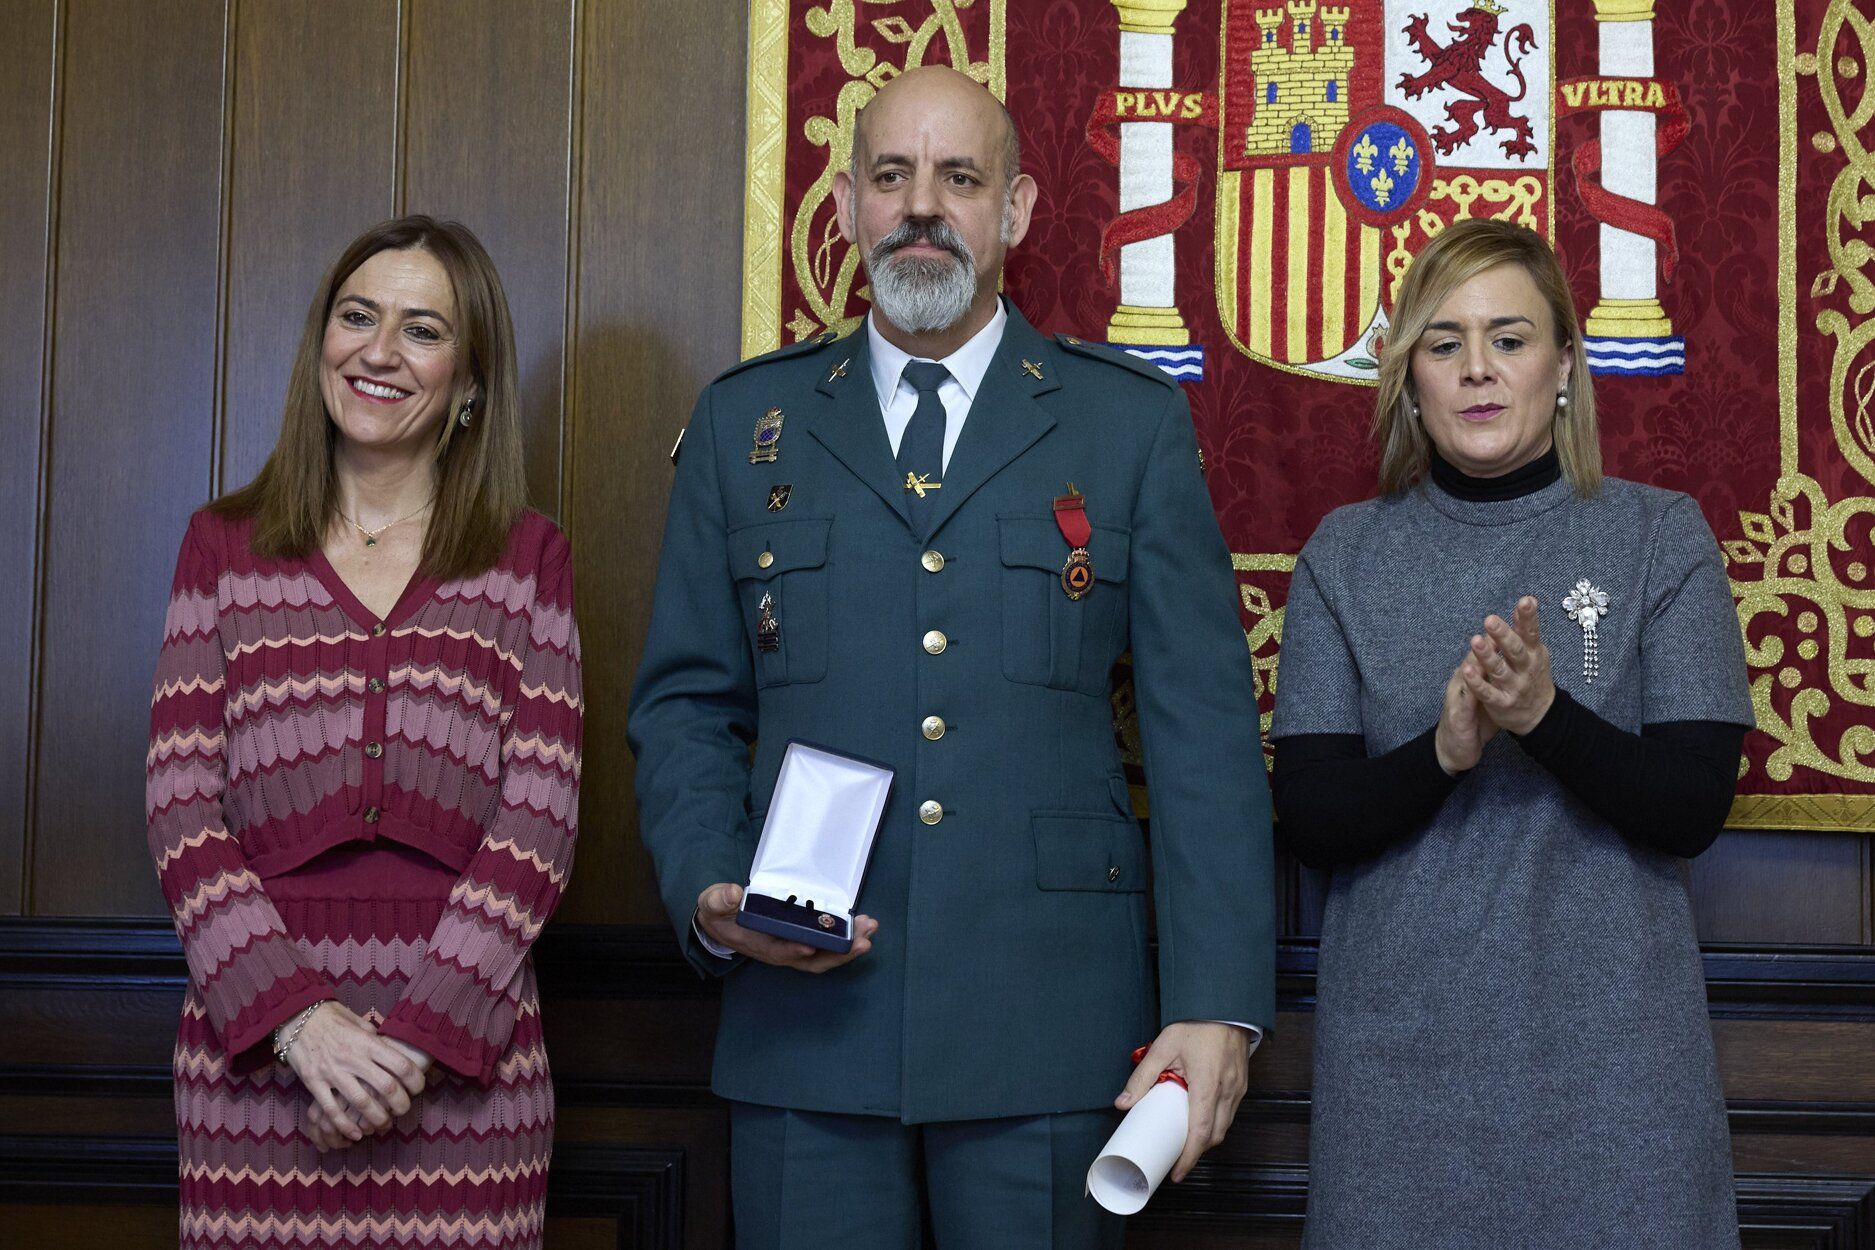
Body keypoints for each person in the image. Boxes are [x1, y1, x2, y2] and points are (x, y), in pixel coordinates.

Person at [629, 65, 1274, 1248]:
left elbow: (1204, 735)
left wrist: (1217, 1001)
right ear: (848, 208)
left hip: (1050, 1024)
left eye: (959, 178)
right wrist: (711, 890)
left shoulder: (1123, 424)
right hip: (806, 1026)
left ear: (1015, 209)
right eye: (891, 176)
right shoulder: (745, 425)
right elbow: (684, 705)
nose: (923, 206)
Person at [1269, 217, 1750, 1248]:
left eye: (1510, 337)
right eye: (1443, 343)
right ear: (1408, 376)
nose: (1478, 369)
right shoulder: (1343, 555)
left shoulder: (1660, 534)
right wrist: (1446, 751)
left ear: (1566, 364)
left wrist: (1543, 716)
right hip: (1403, 1084)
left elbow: (1694, 804)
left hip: (1619, 1083)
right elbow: (1312, 815)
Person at [146, 215, 581, 1250]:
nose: (379, 350)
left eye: (422, 329)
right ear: (322, 345)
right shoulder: (223, 546)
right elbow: (180, 809)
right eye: (357, 317)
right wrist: (301, 1024)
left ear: (469, 381)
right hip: (256, 1064)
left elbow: (541, 822)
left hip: (469, 1071)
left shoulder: (527, 558)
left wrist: (416, 1042)